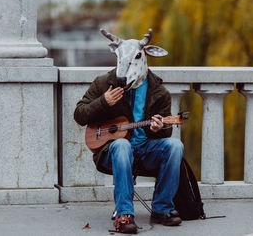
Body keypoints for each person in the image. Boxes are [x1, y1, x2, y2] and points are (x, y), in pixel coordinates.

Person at [74, 29, 184, 234]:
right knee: (123, 145)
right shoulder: (103, 83)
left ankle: (162, 208)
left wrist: (159, 128)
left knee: (175, 146)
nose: (124, 72)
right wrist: (103, 102)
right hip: (112, 151)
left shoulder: (159, 92)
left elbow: (165, 133)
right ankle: (124, 215)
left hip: (144, 150)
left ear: (144, 58)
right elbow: (79, 115)